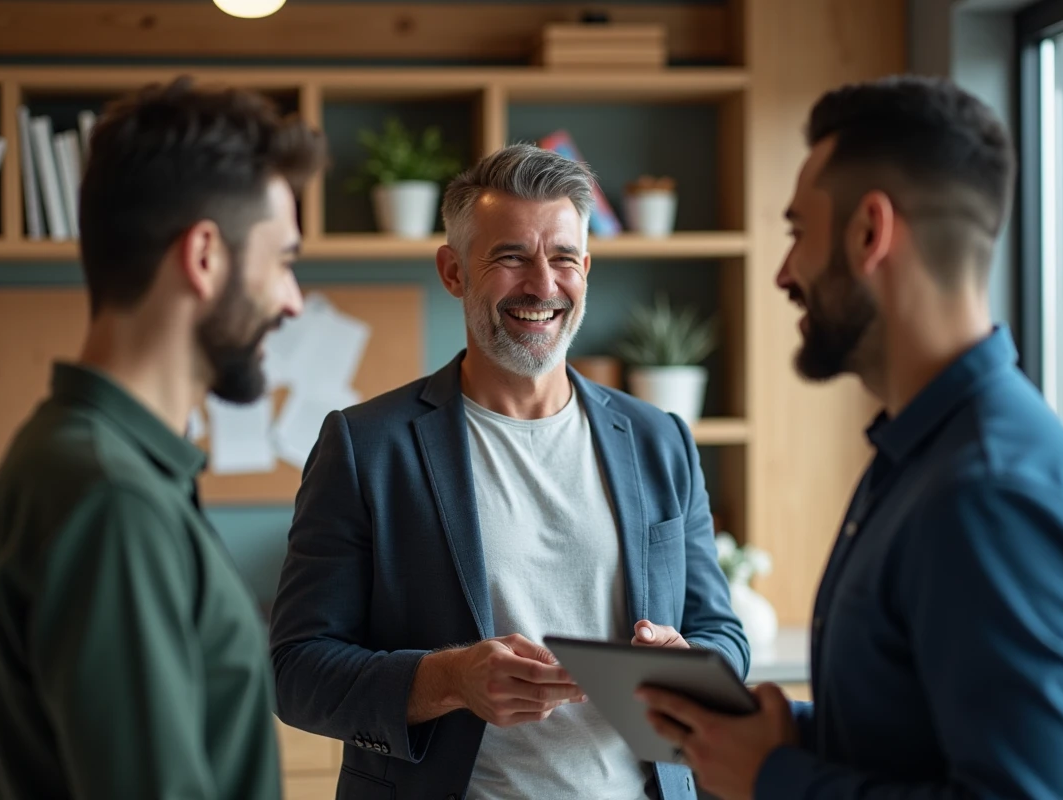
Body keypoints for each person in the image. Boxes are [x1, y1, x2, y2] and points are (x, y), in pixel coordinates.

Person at [638, 75, 1063, 799]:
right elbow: (923, 742)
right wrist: (765, 738)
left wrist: (776, 776)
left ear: (871, 232)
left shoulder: (988, 493)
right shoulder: (922, 457)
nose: (783, 272)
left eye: (797, 232)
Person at [269, 142, 748, 799]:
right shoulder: (365, 446)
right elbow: (296, 672)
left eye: (564, 258)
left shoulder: (658, 440)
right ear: (453, 270)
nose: (543, 286)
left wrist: (690, 665)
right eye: (511, 256)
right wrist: (446, 681)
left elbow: (721, 631)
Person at [0, 77, 327, 799]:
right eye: (283, 259)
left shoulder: (77, 461)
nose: (292, 298)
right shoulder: (112, 500)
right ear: (204, 257)